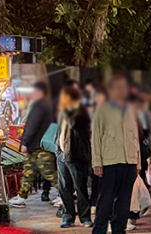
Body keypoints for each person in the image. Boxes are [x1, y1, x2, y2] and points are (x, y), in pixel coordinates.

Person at [91, 75, 141, 234]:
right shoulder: (103, 109)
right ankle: (99, 228)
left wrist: (137, 162)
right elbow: (96, 137)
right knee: (106, 199)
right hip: (110, 160)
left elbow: (135, 136)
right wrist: (96, 162)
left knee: (125, 199)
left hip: (129, 160)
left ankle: (119, 228)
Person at [10, 81, 57, 207]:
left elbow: (32, 125)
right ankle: (21, 196)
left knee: (49, 172)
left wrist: (25, 142)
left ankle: (67, 194)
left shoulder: (40, 106)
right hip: (37, 146)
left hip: (39, 146)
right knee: (28, 172)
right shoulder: (47, 106)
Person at [56, 85, 93, 228]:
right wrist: (57, 151)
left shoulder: (81, 112)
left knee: (80, 187)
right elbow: (59, 133)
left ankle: (85, 217)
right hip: (62, 155)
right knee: (64, 188)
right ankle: (68, 216)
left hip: (76, 154)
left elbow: (73, 124)